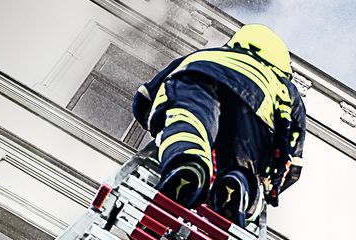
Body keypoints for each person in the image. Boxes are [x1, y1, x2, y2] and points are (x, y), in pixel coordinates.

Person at [130, 23, 306, 228]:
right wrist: (272, 188)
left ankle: (188, 165)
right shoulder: (285, 87)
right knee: (243, 161)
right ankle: (236, 187)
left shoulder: (208, 54)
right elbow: (293, 157)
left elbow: (145, 96)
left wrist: (159, 127)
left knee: (189, 126)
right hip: (259, 102)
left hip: (199, 74)